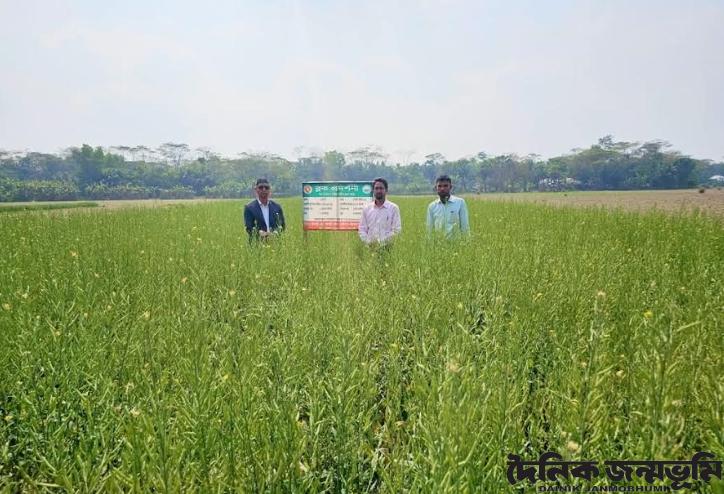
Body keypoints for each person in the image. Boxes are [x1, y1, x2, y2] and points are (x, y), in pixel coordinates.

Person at [358, 177, 402, 246]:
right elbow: (362, 229)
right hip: (369, 248)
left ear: (386, 190)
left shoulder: (393, 208)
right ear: (373, 190)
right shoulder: (367, 209)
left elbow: (397, 230)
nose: (378, 191)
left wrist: (381, 243)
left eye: (381, 188)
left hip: (388, 247)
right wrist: (369, 243)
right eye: (376, 188)